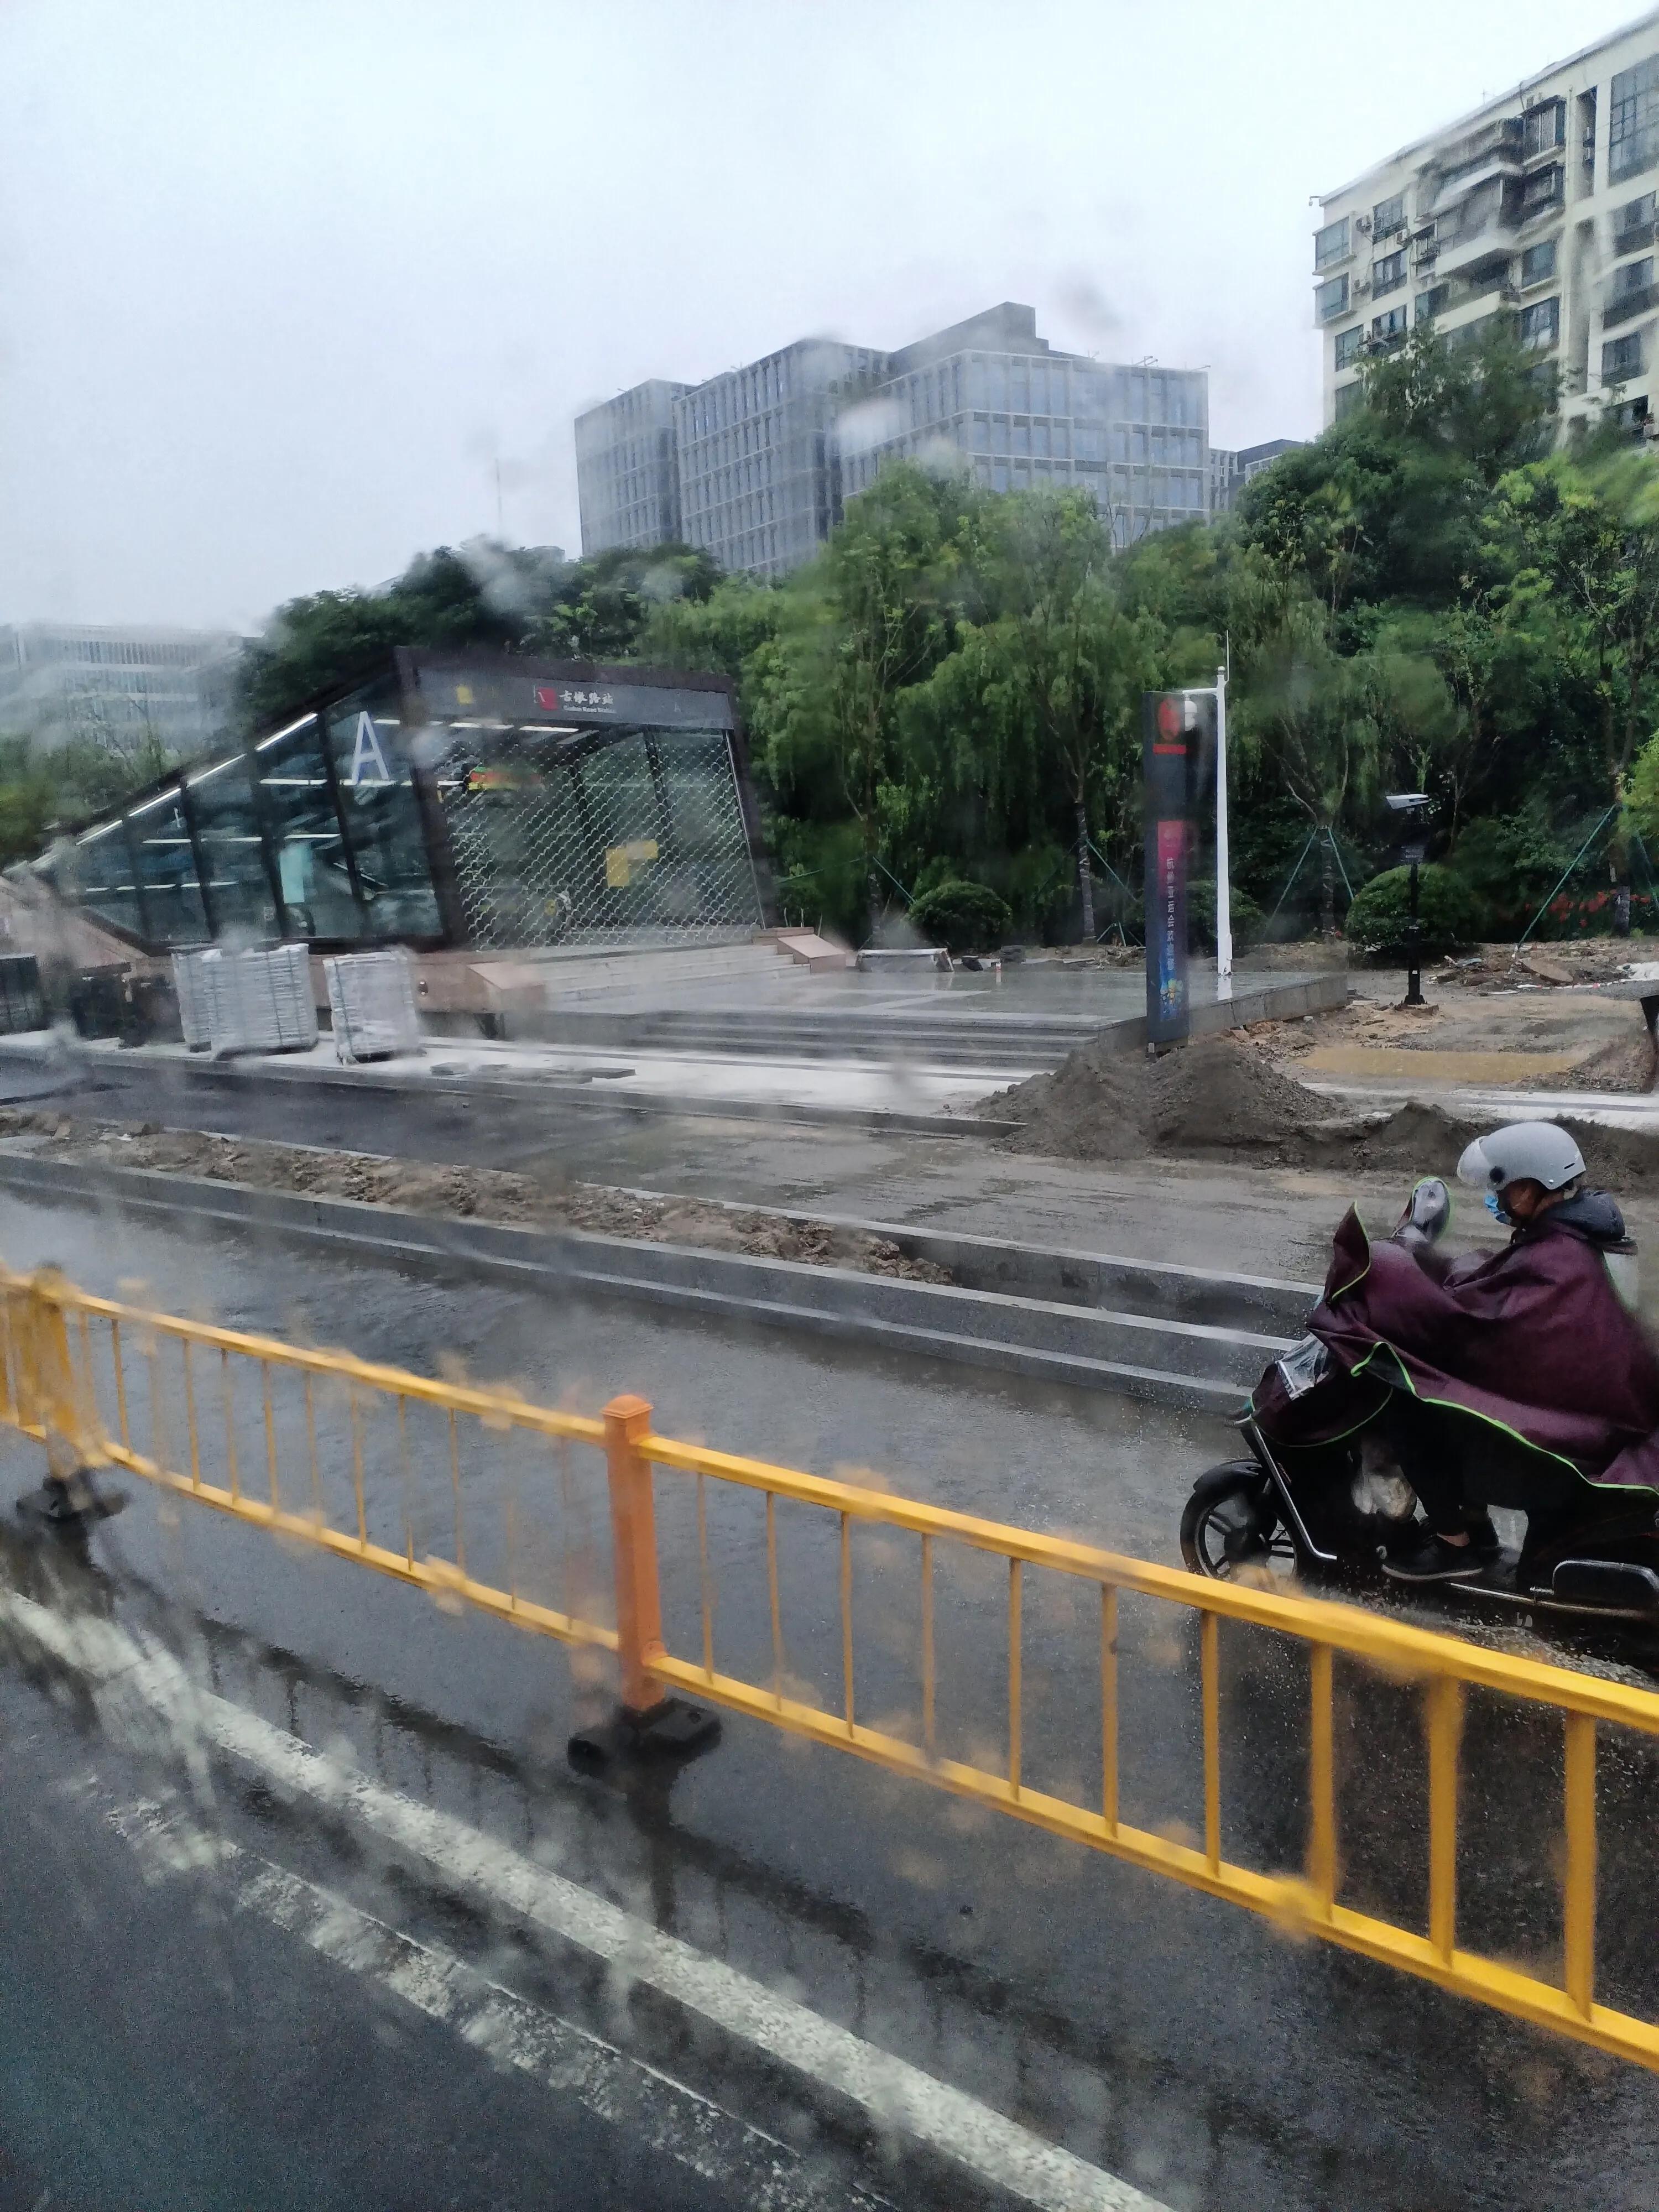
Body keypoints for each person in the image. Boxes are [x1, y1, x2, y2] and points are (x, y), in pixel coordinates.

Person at [1275, 1121, 1659, 1587]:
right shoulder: (1583, 1237)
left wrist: (1406, 1293)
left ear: (1538, 1187)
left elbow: (1479, 1327)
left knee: (1412, 1402)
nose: (1498, 1198)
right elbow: (1503, 1297)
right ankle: (1474, 1529)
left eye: (1507, 1187)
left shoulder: (1562, 1257)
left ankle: (1455, 1545)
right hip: (1601, 1426)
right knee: (1457, 1392)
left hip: (1565, 1451)